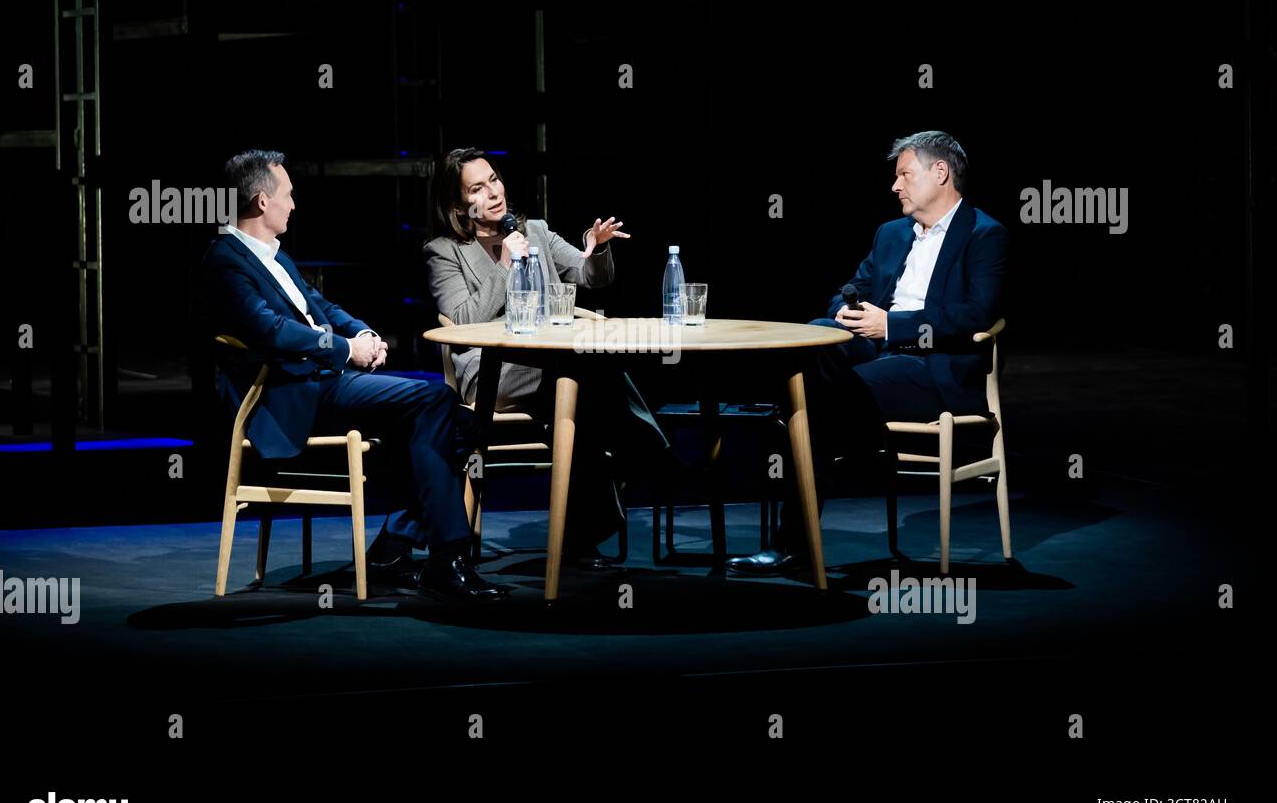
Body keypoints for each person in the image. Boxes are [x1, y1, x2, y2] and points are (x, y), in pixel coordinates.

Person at [201, 149, 505, 601]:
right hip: (289, 395)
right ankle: (447, 557)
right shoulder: (225, 261)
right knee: (437, 402)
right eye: (288, 194)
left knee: (465, 423)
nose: (294, 204)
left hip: (321, 383)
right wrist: (347, 350)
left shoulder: (271, 256)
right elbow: (273, 331)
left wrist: (360, 331)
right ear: (262, 202)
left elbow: (317, 307)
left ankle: (397, 547)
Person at [727, 131, 1009, 574]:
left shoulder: (984, 234)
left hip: (930, 366)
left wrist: (892, 325)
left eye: (904, 175)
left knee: (810, 408)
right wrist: (848, 312)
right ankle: (846, 436)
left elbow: (975, 315)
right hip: (876, 353)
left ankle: (795, 542)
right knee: (816, 335)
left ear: (941, 173)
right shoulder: (892, 233)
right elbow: (850, 288)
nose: (895, 186)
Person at [422, 147, 677, 559]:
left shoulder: (535, 230)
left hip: (551, 364)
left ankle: (581, 532)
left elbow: (589, 276)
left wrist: (596, 248)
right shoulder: (444, 251)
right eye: (477, 188)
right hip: (489, 372)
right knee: (584, 366)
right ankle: (645, 450)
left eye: (494, 180)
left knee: (582, 394)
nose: (493, 192)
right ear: (458, 205)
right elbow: (463, 321)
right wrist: (505, 263)